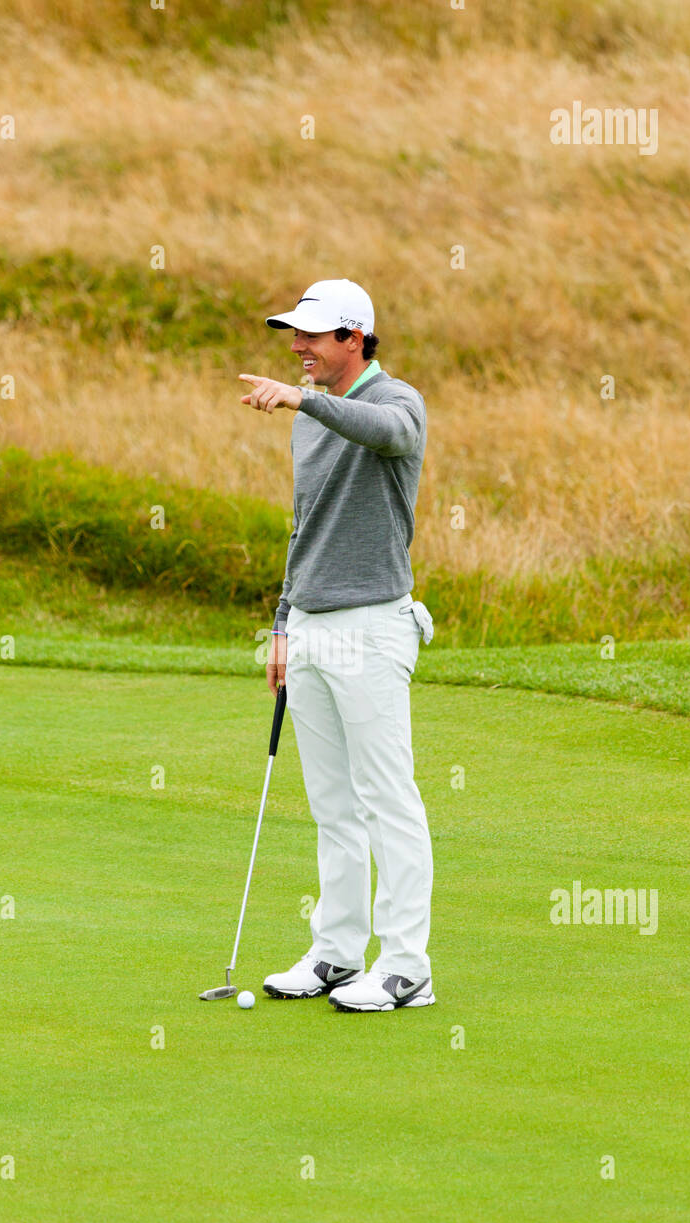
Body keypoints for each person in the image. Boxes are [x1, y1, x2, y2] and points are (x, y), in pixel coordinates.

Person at [238, 279, 435, 1013]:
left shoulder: (396, 400)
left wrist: (305, 400)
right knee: (332, 803)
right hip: (313, 626)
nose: (296, 349)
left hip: (374, 625)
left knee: (389, 799)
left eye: (311, 337)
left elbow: (392, 438)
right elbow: (305, 526)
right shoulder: (308, 415)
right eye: (293, 336)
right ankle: (337, 953)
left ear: (354, 339)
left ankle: (407, 966)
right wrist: (284, 623)